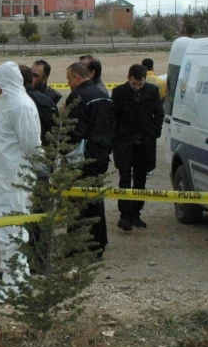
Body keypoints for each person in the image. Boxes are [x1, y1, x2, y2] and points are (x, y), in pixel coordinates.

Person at [0, 62, 42, 303]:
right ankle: (14, 277)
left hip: (15, 179)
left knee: (14, 230)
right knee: (6, 229)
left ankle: (16, 285)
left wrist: (41, 169)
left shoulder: (21, 105)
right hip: (3, 178)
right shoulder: (7, 103)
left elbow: (32, 144)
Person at [65, 61, 114, 253]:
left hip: (83, 159)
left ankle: (77, 248)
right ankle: (98, 244)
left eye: (68, 79)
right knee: (95, 201)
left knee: (77, 204)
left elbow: (74, 132)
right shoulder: (103, 95)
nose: (67, 83)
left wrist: (65, 155)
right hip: (101, 156)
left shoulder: (77, 97)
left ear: (77, 77)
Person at [112, 63, 164, 230]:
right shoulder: (119, 92)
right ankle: (125, 216)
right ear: (129, 79)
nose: (137, 87)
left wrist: (154, 133)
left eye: (140, 84)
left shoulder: (153, 91)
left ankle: (136, 214)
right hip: (124, 143)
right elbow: (114, 116)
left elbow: (159, 114)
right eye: (134, 84)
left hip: (145, 143)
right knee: (125, 178)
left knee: (141, 180)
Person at [20, 64, 57, 143]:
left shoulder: (55, 98)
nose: (32, 77)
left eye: (35, 75)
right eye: (31, 74)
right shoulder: (19, 98)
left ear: (45, 79)